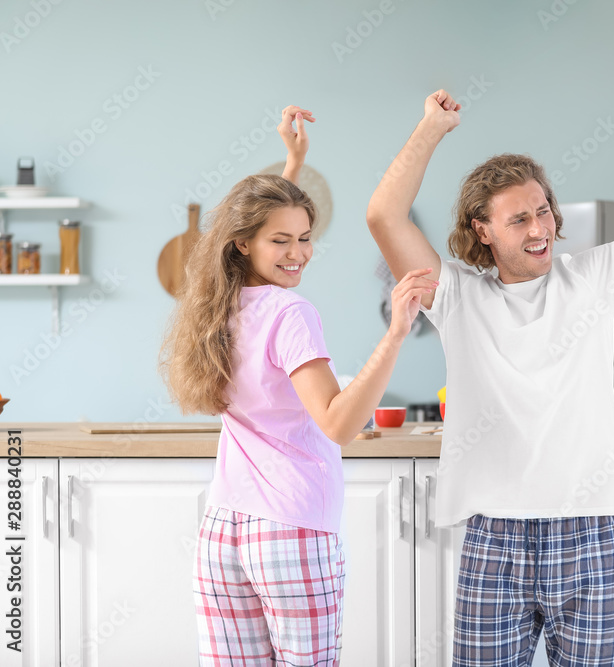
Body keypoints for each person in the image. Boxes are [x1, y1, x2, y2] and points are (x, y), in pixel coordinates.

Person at [366, 45, 614, 666]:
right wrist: (430, 130)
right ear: (481, 229)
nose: (540, 226)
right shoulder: (457, 297)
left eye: (543, 208)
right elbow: (383, 214)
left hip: (594, 531)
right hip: (495, 537)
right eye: (519, 219)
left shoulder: (594, 279)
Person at [160, 105, 437, 666]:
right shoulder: (290, 313)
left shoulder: (215, 307)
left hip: (223, 535)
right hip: (291, 532)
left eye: (306, 238)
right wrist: (396, 331)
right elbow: (338, 424)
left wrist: (295, 162)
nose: (298, 253)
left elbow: (261, 222)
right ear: (245, 243)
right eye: (282, 241)